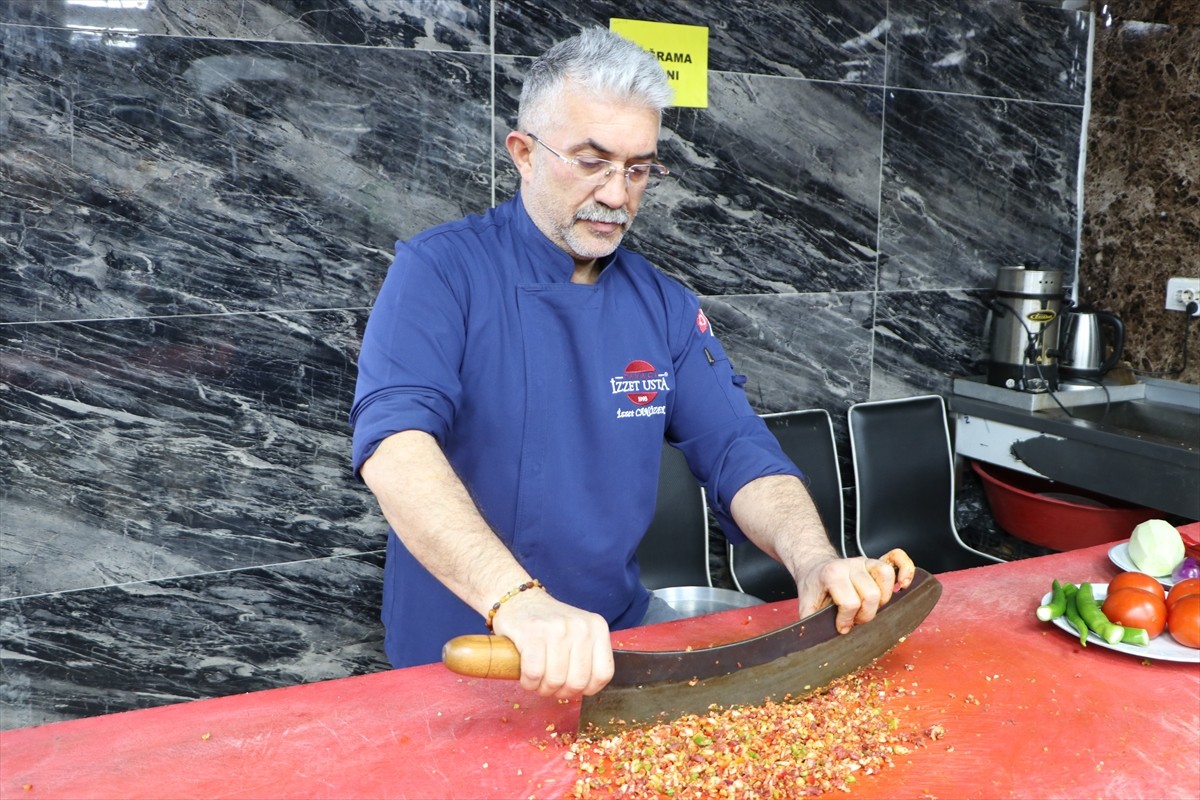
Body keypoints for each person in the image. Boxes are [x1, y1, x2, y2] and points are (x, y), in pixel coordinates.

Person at [350, 27, 914, 700]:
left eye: (639, 168)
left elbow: (737, 448)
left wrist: (814, 557)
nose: (618, 195)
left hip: (617, 643)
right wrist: (517, 602)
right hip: (466, 646)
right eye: (591, 162)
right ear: (524, 154)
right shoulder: (439, 271)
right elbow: (396, 446)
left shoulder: (665, 306)